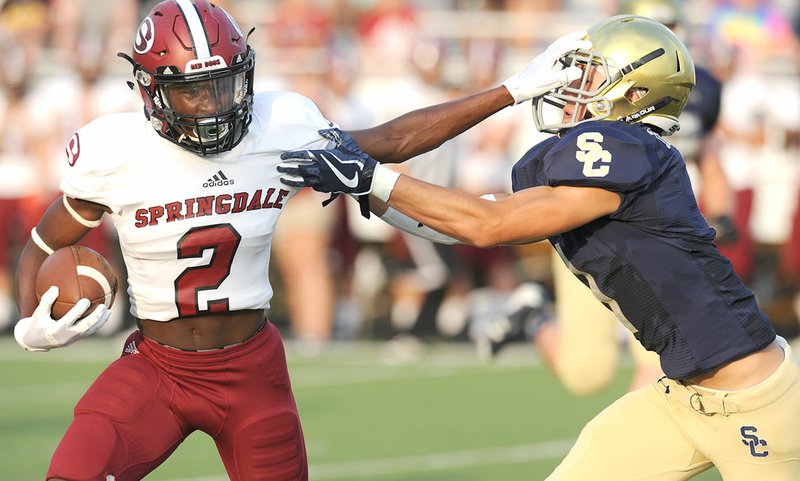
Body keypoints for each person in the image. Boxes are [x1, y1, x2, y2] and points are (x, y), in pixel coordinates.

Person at [11, 1, 588, 479]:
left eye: (225, 84)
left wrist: (511, 90)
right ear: (152, 90)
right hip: (158, 367)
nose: (215, 105)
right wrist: (28, 319)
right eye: (194, 90)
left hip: (251, 371)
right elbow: (42, 243)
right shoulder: (116, 152)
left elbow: (394, 140)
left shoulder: (279, 125)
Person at [279, 15, 800, 480]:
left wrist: (370, 178)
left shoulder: (628, 149)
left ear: (635, 93)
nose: (572, 85)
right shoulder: (586, 163)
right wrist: (371, 188)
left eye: (590, 74)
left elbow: (488, 224)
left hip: (756, 401)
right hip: (683, 396)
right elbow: (465, 221)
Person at [479, 0, 739, 396]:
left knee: (665, 363)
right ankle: (533, 317)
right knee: (586, 374)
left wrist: (720, 211)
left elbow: (709, 153)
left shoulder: (698, 85)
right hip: (590, 226)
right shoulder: (597, 75)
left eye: (665, 25)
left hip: (661, 231)